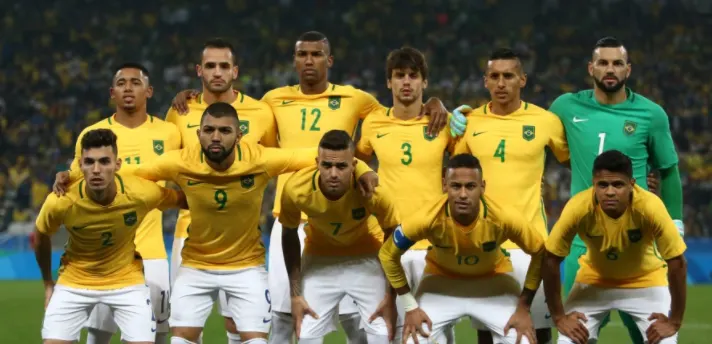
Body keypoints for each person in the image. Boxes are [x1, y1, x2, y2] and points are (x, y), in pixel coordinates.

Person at [169, 30, 457, 344]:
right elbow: (231, 113)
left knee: (359, 322)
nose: (309, 60)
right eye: (302, 54)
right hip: (290, 217)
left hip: (345, 219)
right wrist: (191, 96)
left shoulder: (356, 99)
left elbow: (399, 112)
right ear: (294, 60)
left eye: (317, 54)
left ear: (329, 60)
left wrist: (434, 102)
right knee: (281, 316)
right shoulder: (271, 101)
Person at [131, 102, 376, 344]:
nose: (216, 137)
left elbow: (318, 157)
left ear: (239, 135)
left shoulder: (258, 159)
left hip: (246, 266)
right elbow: (132, 177)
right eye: (209, 130)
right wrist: (171, 198)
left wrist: (362, 168)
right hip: (196, 265)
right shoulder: (181, 161)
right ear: (198, 134)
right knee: (181, 340)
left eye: (225, 131)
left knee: (256, 341)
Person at [547, 36, 683, 344]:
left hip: (638, 238)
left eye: (617, 63)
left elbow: (669, 170)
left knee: (649, 335)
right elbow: (533, 137)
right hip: (585, 238)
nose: (610, 69)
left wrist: (676, 224)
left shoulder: (651, 114)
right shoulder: (565, 107)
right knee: (577, 332)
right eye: (604, 63)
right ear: (590, 67)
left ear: (628, 70)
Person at [57, 62, 182, 344]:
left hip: (151, 252)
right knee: (99, 334)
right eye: (122, 83)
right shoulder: (93, 134)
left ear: (148, 91)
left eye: (135, 83)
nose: (128, 88)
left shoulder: (169, 134)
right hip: (105, 255)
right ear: (112, 92)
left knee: (157, 333)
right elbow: (76, 182)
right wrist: (64, 175)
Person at [451, 48, 569, 344]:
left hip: (533, 245)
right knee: (487, 333)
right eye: (494, 76)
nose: (501, 83)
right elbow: (455, 178)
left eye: (508, 76)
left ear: (522, 80)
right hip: (485, 245)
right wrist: (439, 112)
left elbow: (576, 163)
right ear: (485, 81)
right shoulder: (470, 122)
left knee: (538, 332)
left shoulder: (545, 121)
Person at [164, 38, 278, 344]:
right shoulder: (180, 111)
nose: (217, 72)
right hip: (190, 236)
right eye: (210, 66)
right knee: (187, 329)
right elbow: (166, 167)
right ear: (199, 70)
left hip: (242, 238)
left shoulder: (261, 112)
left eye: (224, 66)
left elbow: (271, 165)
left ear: (235, 71)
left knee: (236, 323)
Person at [35, 128, 187, 344]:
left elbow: (186, 199)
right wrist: (48, 284)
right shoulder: (61, 201)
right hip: (74, 282)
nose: (96, 170)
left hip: (126, 282)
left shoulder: (140, 193)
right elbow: (41, 235)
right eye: (89, 162)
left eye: (105, 162)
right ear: (80, 166)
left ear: (117, 165)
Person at [379, 154, 544, 344]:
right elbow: (387, 254)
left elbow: (540, 252)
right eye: (456, 186)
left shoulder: (504, 218)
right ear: (444, 186)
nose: (463, 194)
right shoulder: (426, 218)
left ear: (482, 187)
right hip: (440, 282)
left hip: (493, 282)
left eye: (470, 186)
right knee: (415, 339)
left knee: (522, 340)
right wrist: (410, 306)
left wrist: (523, 307)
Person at [355, 46, 456, 344]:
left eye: (414, 75)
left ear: (425, 82)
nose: (406, 82)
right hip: (386, 242)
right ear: (389, 82)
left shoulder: (443, 123)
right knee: (383, 331)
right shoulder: (373, 122)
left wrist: (441, 105)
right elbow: (354, 159)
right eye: (399, 76)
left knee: (433, 333)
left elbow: (468, 166)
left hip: (432, 246)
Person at [542, 150, 687, 344]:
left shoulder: (650, 207)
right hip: (594, 281)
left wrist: (674, 321)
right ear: (594, 184)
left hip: (646, 281)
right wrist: (559, 317)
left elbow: (677, 262)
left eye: (618, 184)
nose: (610, 191)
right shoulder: (578, 207)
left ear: (631, 184)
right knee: (568, 341)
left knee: (665, 342)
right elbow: (551, 258)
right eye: (603, 185)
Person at [281, 130, 400, 343]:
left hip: (365, 258)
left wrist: (390, 297)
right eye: (327, 165)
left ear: (354, 165)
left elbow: (392, 234)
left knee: (383, 334)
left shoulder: (375, 192)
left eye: (341, 166)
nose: (333, 174)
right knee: (305, 337)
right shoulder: (295, 188)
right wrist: (295, 295)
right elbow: (289, 233)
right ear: (317, 163)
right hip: (319, 260)